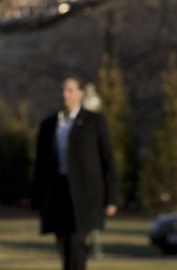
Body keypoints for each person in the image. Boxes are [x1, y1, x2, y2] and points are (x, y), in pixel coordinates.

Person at [33, 76, 118, 270]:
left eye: (70, 90)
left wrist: (111, 198)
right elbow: (40, 165)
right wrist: (38, 199)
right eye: (63, 90)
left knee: (77, 241)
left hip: (85, 194)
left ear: (80, 93)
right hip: (57, 192)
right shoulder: (49, 125)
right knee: (63, 242)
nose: (65, 94)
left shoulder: (94, 121)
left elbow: (108, 160)